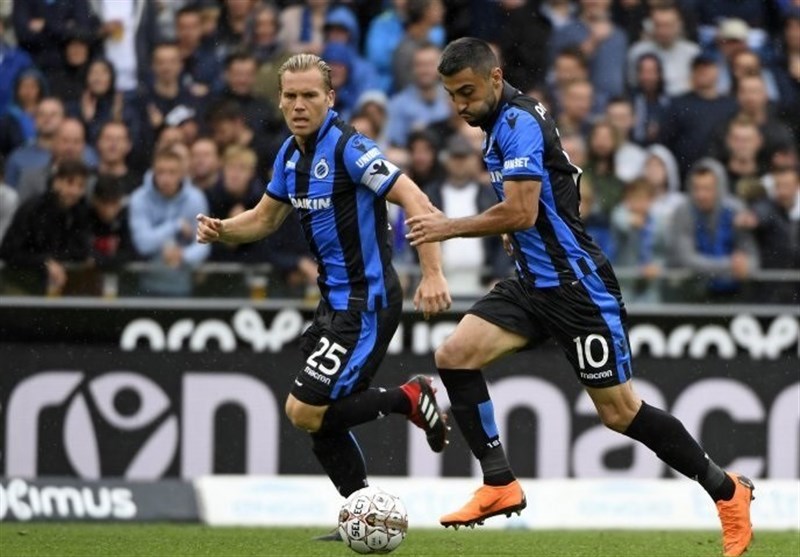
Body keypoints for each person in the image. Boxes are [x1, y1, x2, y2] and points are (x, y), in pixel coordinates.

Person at [404, 38, 754, 557]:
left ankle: (727, 492)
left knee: (620, 413)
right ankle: (499, 482)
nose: (460, 105)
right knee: (454, 356)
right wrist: (516, 232)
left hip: (577, 289)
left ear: (495, 78)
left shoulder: (519, 121)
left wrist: (448, 227)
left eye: (467, 92)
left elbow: (523, 210)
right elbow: (550, 193)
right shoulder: (501, 122)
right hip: (533, 283)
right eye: (452, 95)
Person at [195, 53, 452, 538]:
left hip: (366, 304)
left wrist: (433, 273)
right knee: (322, 419)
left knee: (303, 409)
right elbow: (264, 219)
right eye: (290, 95)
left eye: (309, 95)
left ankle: (409, 397)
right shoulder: (289, 156)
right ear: (279, 100)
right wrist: (222, 229)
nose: (299, 105)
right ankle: (362, 513)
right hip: (332, 304)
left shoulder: (351, 148)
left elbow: (416, 200)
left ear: (330, 98)